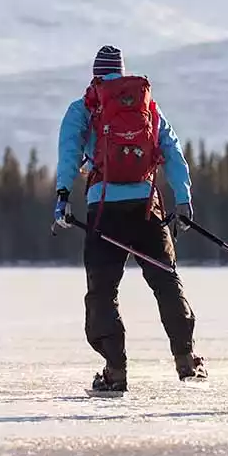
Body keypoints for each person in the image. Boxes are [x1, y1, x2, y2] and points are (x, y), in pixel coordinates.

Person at [53, 45, 203, 394]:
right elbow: (173, 152)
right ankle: (186, 360)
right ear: (122, 74)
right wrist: (183, 199)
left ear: (95, 75)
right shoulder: (147, 106)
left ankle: (114, 371)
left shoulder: (84, 108)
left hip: (104, 210)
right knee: (166, 281)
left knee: (103, 291)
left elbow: (68, 155)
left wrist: (62, 197)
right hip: (145, 205)